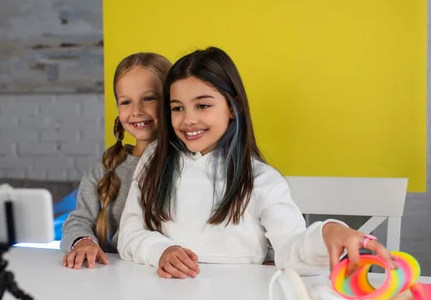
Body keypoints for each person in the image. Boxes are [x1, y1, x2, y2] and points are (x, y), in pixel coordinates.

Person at [117, 46, 394, 279]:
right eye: (177, 108)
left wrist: (327, 232)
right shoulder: (155, 159)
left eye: (203, 105)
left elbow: (291, 249)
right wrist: (160, 251)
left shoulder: (261, 180)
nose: (188, 119)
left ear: (233, 107)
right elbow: (129, 233)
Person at [61, 52, 172, 269]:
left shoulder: (187, 165)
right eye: (126, 102)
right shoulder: (103, 171)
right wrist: (84, 241)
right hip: (112, 281)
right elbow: (79, 220)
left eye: (149, 98)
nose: (136, 111)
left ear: (171, 100)